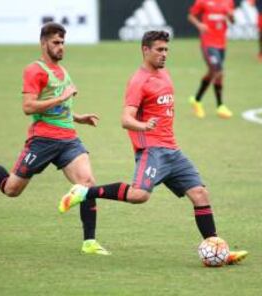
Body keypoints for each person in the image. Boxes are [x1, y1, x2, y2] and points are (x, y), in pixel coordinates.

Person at [58, 30, 248, 264]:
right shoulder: (139, 81)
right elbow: (125, 119)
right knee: (139, 195)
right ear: (145, 50)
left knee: (200, 194)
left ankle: (218, 249)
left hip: (173, 150)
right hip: (152, 150)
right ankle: (84, 192)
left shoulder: (164, 73)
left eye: (166, 49)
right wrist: (144, 126)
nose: (164, 54)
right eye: (159, 49)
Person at [0, 22, 110, 255]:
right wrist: (61, 99)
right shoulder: (34, 70)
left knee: (87, 184)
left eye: (63, 43)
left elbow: (61, 103)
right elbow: (28, 107)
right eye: (56, 43)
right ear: (43, 43)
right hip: (43, 141)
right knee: (11, 189)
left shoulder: (62, 71)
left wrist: (78, 117)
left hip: (69, 140)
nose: (61, 47)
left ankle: (89, 242)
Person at [187, 0, 235, 119]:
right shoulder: (203, 1)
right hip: (208, 43)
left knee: (213, 72)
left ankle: (196, 100)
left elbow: (232, 21)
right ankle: (220, 106)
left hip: (221, 44)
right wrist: (199, 25)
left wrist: (231, 16)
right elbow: (191, 16)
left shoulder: (229, 2)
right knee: (218, 71)